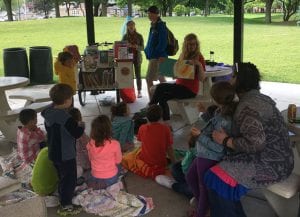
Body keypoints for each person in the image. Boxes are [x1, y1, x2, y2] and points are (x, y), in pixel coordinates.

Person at [204, 62, 294, 217]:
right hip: (278, 156)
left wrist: (225, 140)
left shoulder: (248, 107)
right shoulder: (257, 98)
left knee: (216, 179)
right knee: (215, 174)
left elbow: (256, 143)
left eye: (233, 76)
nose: (230, 79)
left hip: (272, 163)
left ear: (240, 81)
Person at [185, 81, 237, 217]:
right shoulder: (221, 110)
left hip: (209, 157)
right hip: (203, 154)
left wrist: (199, 136)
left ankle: (201, 212)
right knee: (190, 177)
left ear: (215, 99)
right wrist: (203, 112)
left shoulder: (225, 120)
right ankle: (203, 204)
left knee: (203, 189)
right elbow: (213, 122)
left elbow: (219, 148)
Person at [41, 83, 84, 216]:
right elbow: (77, 134)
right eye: (71, 98)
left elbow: (48, 107)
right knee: (69, 179)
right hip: (66, 154)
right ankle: (66, 205)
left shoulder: (48, 112)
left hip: (53, 152)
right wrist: (81, 125)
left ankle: (62, 191)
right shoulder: (67, 119)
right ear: (67, 101)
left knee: (62, 175)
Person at [149, 33, 206, 122]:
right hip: (179, 85)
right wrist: (165, 64)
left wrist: (199, 64)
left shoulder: (199, 57)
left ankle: (150, 109)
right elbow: (176, 74)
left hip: (189, 90)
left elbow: (202, 78)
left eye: (193, 44)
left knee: (160, 87)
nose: (191, 47)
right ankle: (166, 121)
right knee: (162, 97)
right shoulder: (183, 55)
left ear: (196, 45)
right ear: (185, 45)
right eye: (188, 44)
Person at [122, 105, 175, 179]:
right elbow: (169, 148)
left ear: (146, 117)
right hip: (161, 162)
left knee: (133, 153)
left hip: (146, 160)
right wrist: (174, 162)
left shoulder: (142, 128)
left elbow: (140, 142)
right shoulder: (166, 129)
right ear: (160, 117)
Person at [86, 115, 122, 190]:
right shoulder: (115, 144)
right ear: (109, 129)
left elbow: (90, 159)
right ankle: (106, 185)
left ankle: (98, 185)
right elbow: (118, 161)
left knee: (91, 171)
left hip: (95, 176)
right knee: (119, 166)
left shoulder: (90, 144)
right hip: (110, 178)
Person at [144, 5, 168, 98]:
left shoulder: (160, 25)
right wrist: (147, 51)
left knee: (149, 79)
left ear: (156, 14)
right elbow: (151, 41)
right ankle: (166, 96)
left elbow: (163, 42)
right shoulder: (153, 25)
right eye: (148, 14)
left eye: (150, 14)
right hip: (154, 56)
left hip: (158, 57)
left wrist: (157, 54)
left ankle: (152, 102)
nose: (148, 16)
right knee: (160, 77)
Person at [122, 20, 144, 98]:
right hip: (128, 58)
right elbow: (122, 47)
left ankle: (139, 91)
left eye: (132, 25)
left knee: (138, 75)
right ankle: (132, 91)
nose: (131, 27)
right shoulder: (125, 36)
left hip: (137, 58)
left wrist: (136, 46)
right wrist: (126, 46)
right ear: (127, 27)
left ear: (135, 26)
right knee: (130, 75)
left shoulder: (139, 36)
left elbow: (142, 48)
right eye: (129, 26)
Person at [68, 107, 90, 178]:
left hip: (69, 161)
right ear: (80, 118)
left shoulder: (65, 130)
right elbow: (87, 146)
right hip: (80, 162)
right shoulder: (80, 132)